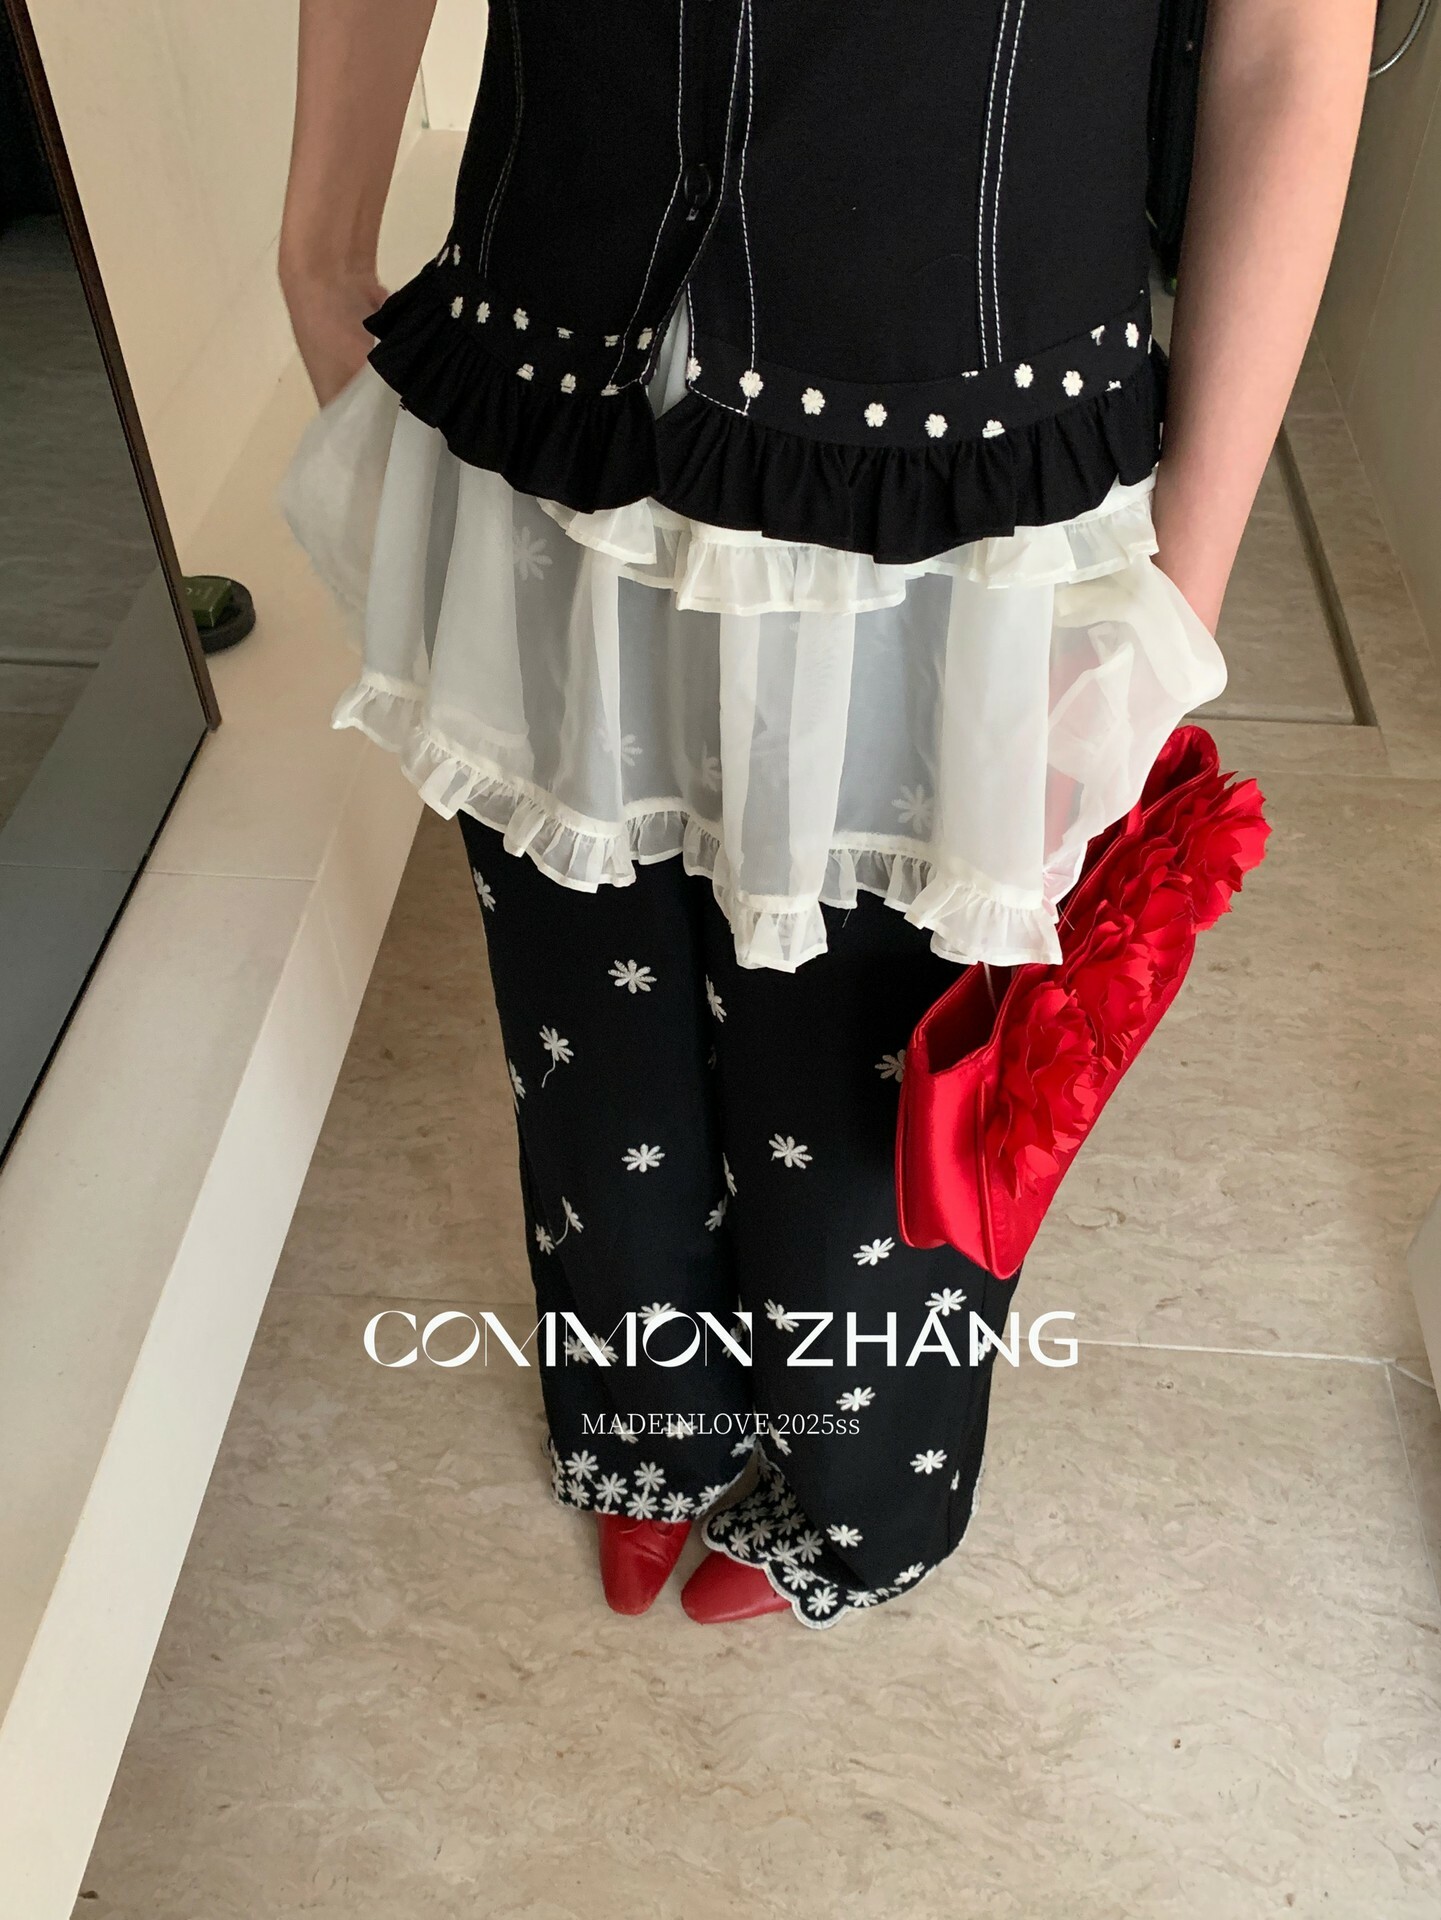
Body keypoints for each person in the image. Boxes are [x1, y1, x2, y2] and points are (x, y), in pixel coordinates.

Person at [278, 0, 1373, 1628]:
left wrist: (1183, 589)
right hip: (544, 385)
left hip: (960, 463)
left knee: (873, 1077)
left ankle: (864, 1492)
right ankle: (644, 1424)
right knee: (584, 1025)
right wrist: (317, 246)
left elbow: (1287, 45)